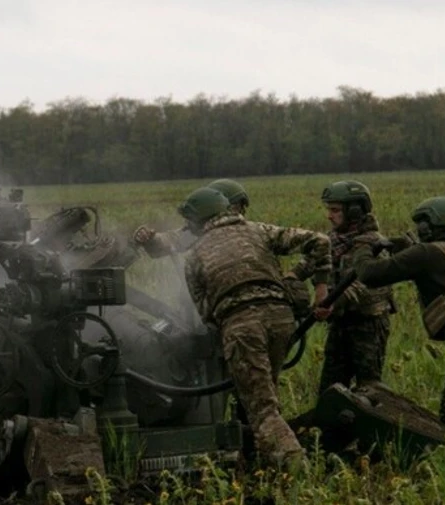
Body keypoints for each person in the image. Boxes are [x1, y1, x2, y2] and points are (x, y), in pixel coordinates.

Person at [174, 186, 331, 466]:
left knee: (262, 409)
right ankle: (265, 463)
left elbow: (206, 314)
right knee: (267, 394)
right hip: (281, 319)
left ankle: (299, 470)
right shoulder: (259, 230)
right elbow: (320, 241)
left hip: (242, 327)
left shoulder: (195, 255)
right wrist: (321, 286)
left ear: (197, 221)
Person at [351, 196, 445, 472]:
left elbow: (371, 274)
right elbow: (442, 270)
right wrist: (406, 248)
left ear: (427, 226)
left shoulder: (427, 255)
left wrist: (362, 249)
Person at [289, 180, 394, 394]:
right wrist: (287, 280)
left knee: (369, 389)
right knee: (330, 389)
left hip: (368, 326)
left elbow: (364, 285)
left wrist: (333, 303)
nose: (329, 215)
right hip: (339, 325)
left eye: (335, 210)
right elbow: (305, 266)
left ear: (354, 211)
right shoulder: (330, 241)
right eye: (329, 209)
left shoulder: (375, 245)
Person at [132, 178, 250, 257]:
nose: (241, 212)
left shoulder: (251, 231)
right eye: (237, 207)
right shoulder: (196, 233)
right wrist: (150, 238)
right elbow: (170, 241)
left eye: (241, 208)